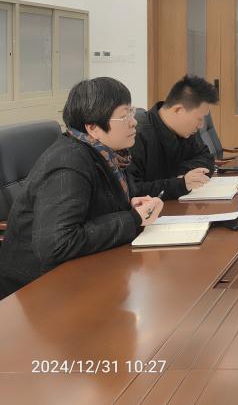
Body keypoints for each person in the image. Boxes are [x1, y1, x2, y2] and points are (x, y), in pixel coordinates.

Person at [0, 77, 163, 299]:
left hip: (77, 270)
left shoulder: (108, 154)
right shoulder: (69, 163)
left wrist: (129, 204)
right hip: (38, 289)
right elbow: (57, 244)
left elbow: (93, 204)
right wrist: (132, 218)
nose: (134, 122)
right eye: (125, 115)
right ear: (93, 127)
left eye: (132, 112)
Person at [127, 75, 218, 200]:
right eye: (199, 118)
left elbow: (206, 158)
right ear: (178, 110)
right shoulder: (135, 135)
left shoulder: (186, 131)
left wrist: (181, 174)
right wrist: (179, 183)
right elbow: (132, 190)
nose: (201, 125)